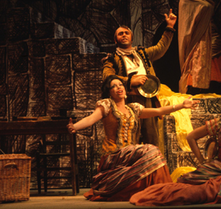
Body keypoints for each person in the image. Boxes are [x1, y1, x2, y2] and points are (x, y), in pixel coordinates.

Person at [67, 75, 198, 201]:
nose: (119, 87)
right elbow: (91, 118)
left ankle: (162, 190)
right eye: (114, 86)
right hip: (113, 155)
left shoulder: (133, 109)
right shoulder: (106, 105)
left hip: (131, 155)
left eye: (120, 85)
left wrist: (182, 105)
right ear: (109, 92)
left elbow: (159, 111)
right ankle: (162, 189)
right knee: (151, 150)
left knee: (155, 154)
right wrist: (75, 127)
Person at [102, 10, 177, 146]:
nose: (124, 35)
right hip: (127, 100)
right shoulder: (112, 59)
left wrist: (170, 27)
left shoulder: (142, 53)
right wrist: (130, 81)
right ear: (115, 40)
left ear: (131, 38)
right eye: (120, 33)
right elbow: (107, 77)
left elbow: (160, 48)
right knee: (131, 137)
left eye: (127, 33)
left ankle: (153, 166)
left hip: (148, 99)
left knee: (151, 137)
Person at [177, 0, 221, 94]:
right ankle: (198, 89)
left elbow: (202, 5)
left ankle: (213, 89)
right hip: (197, 31)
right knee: (198, 56)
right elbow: (191, 14)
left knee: (211, 54)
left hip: (210, 28)